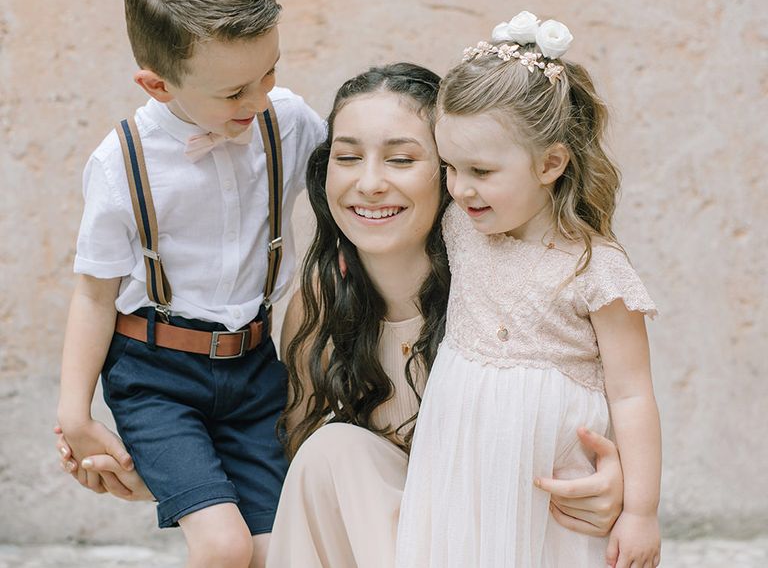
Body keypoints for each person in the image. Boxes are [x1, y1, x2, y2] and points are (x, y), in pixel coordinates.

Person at [56, 63, 625, 567]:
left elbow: (585, 405)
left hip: (510, 533)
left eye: (402, 159)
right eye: (347, 157)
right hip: (400, 539)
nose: (369, 182)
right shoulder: (320, 304)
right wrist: (160, 478)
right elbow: (281, 477)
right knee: (326, 460)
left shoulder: (503, 291)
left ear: (452, 173)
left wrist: (619, 483)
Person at [56, 0, 325, 568]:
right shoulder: (122, 161)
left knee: (277, 549)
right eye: (234, 92)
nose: (258, 99)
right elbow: (95, 295)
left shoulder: (286, 121)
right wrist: (75, 413)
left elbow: (350, 185)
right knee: (225, 548)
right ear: (156, 84)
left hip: (256, 368)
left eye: (270, 73)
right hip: (156, 377)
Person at [395, 13, 662, 568]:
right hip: (460, 461)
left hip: (551, 486)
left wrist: (640, 511)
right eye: (450, 167)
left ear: (551, 163)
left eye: (481, 170)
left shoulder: (594, 268)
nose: (460, 188)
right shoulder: (458, 226)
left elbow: (633, 393)